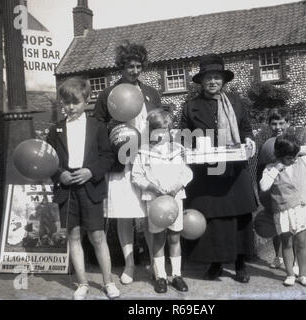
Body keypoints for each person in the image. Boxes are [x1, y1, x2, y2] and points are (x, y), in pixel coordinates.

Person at [180, 54, 258, 283]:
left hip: (234, 170)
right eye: (208, 78)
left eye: (217, 77)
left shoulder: (235, 102)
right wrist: (187, 148)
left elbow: (245, 129)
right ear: (201, 81)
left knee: (239, 217)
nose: (213, 81)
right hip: (206, 173)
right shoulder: (190, 107)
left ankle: (240, 264)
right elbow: (184, 135)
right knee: (211, 219)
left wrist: (249, 140)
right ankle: (215, 264)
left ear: (223, 80)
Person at [94, 41, 162, 284]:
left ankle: (156, 264)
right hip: (121, 163)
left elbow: (160, 122)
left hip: (149, 160)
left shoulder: (151, 93)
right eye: (130, 66)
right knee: (125, 215)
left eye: (138, 66)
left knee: (150, 214)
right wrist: (115, 133)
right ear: (121, 67)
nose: (134, 71)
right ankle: (130, 265)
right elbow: (98, 126)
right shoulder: (108, 95)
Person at [47, 77, 120, 300]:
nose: (70, 107)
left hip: (91, 187)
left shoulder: (98, 127)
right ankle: (82, 283)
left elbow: (108, 157)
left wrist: (91, 171)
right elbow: (49, 160)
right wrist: (61, 174)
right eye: (66, 102)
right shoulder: (55, 129)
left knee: (98, 236)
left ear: (87, 100)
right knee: (73, 235)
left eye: (75, 102)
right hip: (67, 189)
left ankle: (108, 282)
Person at [131, 109, 193, 293]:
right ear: (150, 131)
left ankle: (176, 275)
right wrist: (152, 187)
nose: (160, 134)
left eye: (164, 130)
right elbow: (137, 176)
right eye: (156, 130)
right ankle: (160, 276)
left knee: (174, 238)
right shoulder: (143, 152)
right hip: (154, 201)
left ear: (170, 130)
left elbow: (187, 172)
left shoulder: (178, 150)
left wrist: (177, 186)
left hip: (174, 200)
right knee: (158, 239)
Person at [259, 133, 306, 286]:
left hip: (301, 208)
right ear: (280, 155)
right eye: (289, 157)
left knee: (301, 243)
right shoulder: (270, 169)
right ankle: (290, 274)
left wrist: (295, 150)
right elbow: (263, 186)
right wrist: (276, 168)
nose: (293, 160)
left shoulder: (300, 161)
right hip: (283, 211)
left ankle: (303, 274)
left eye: (294, 156)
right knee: (286, 244)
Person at [256, 108, 299, 273]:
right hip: (272, 192)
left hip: (290, 192)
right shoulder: (267, 145)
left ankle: (295, 262)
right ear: (269, 125)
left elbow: (301, 168)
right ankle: (278, 256)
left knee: (293, 228)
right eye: (274, 124)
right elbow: (260, 170)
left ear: (288, 123)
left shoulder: (293, 143)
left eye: (281, 123)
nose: (278, 127)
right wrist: (261, 192)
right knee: (277, 226)